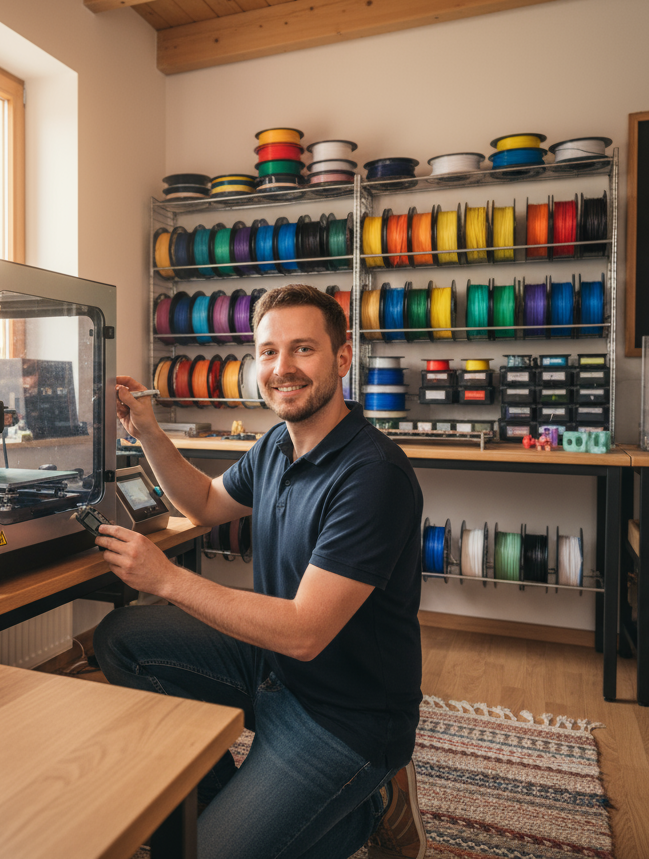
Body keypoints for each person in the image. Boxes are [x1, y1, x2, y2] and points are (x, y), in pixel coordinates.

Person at [93, 284, 427, 859]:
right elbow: (202, 501)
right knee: (122, 640)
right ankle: (234, 804)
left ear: (342, 360)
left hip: (345, 718)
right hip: (274, 673)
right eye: (269, 352)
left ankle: (371, 803)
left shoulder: (373, 474)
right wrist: (148, 430)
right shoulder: (277, 444)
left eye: (303, 349)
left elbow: (303, 631)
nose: (283, 368)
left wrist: (167, 579)